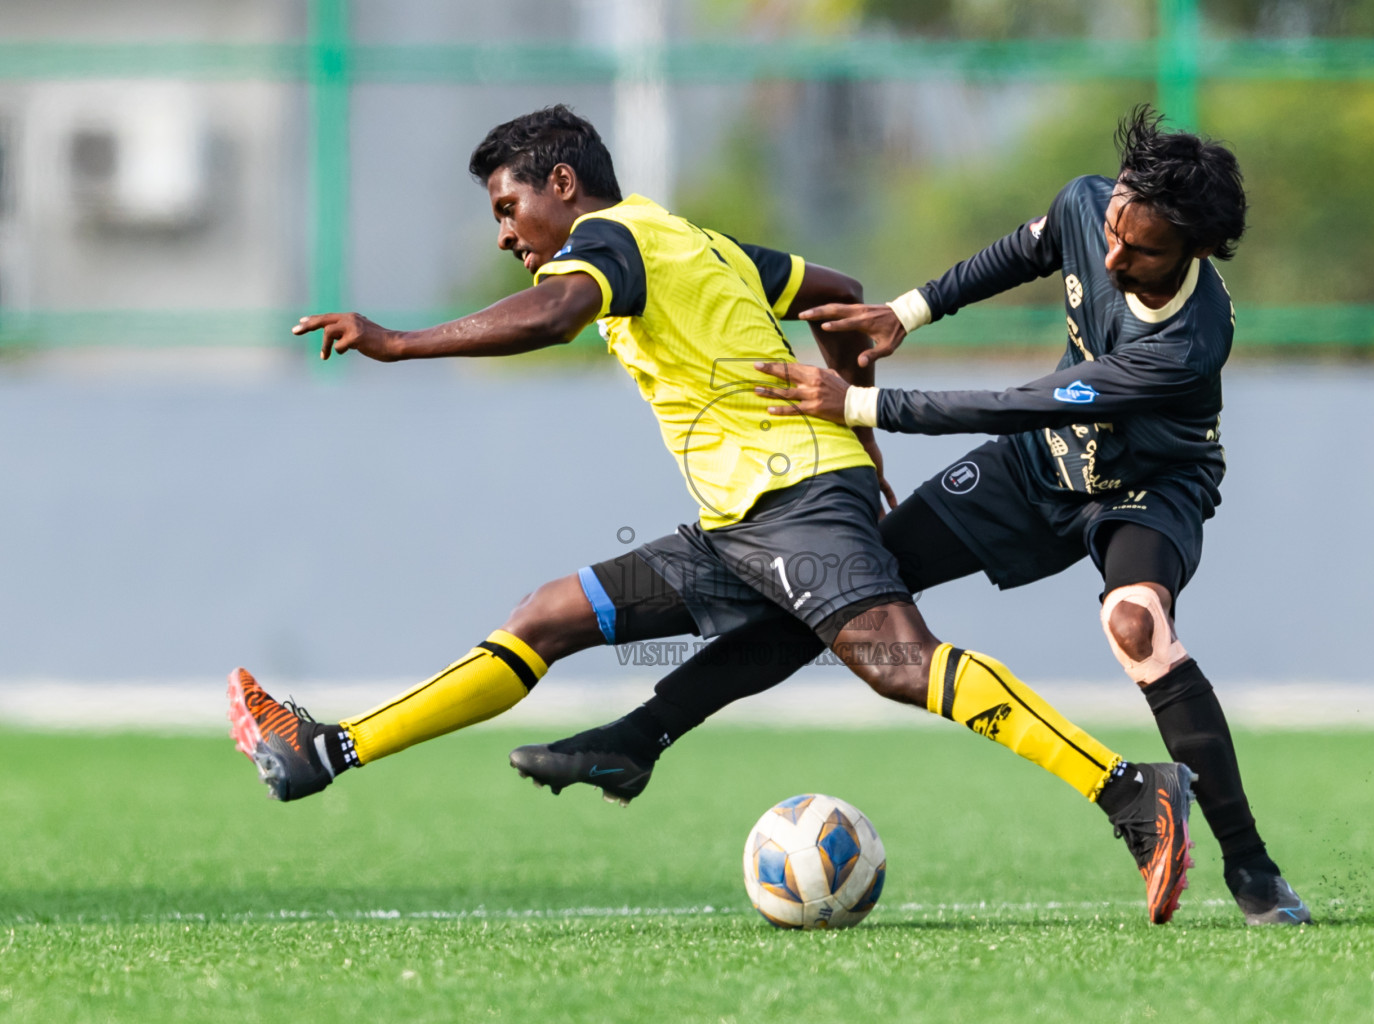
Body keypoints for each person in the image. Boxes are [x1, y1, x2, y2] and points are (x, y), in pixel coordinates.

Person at [226, 104, 1196, 925]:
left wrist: (398, 344)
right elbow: (838, 298)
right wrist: (859, 438)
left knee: (901, 662)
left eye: (507, 206)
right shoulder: (693, 241)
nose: (504, 234)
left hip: (792, 502)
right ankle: (331, 748)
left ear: (561, 185)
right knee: (546, 616)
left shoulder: (609, 244)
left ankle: (1130, 790)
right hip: (746, 520)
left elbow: (554, 316)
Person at [510, 106, 1310, 926]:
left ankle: (1250, 868)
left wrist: (862, 403)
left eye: (1138, 251)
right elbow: (1025, 251)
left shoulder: (1187, 346)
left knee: (1137, 625)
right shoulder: (1088, 204)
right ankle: (641, 737)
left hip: (1148, 483)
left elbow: (1020, 404)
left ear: (1197, 249)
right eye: (1111, 232)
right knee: (838, 600)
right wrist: (910, 310)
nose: (1112, 256)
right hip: (1040, 469)